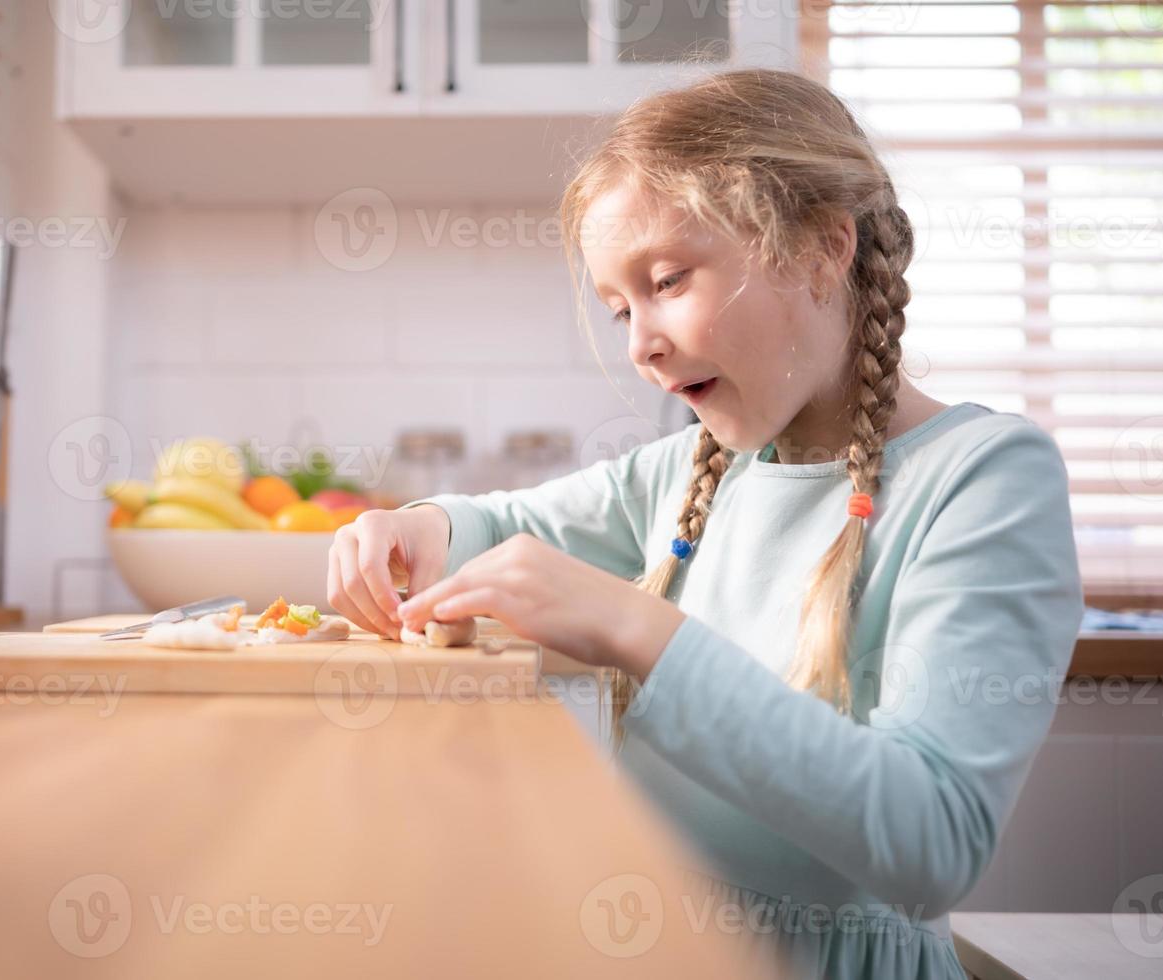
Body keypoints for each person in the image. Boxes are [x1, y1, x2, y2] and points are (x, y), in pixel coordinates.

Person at [326, 68, 1083, 978]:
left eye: (668, 281)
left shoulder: (985, 477)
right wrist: (407, 525)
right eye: (619, 308)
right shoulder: (691, 473)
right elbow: (492, 524)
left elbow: (932, 840)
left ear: (818, 248)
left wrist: (638, 628)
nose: (639, 343)